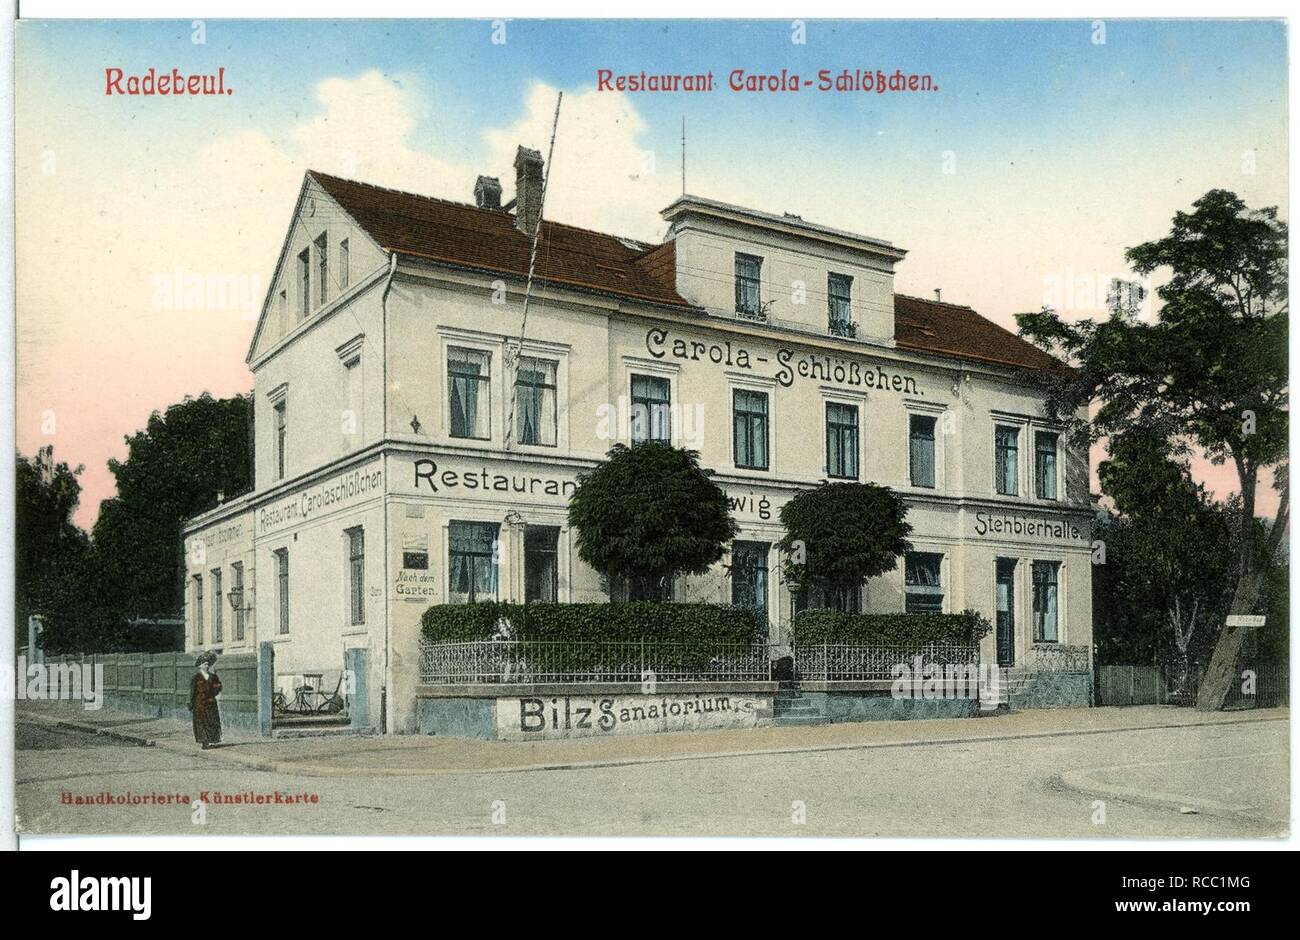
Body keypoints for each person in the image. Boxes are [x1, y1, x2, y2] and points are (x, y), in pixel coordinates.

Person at [189, 651, 223, 748]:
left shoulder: (213, 677)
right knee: (201, 722)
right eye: (204, 664)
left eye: (208, 664)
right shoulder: (195, 678)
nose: (207, 666)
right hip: (199, 704)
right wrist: (191, 703)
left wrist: (215, 689)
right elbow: (192, 692)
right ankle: (204, 742)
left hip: (211, 703)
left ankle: (212, 740)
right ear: (200, 666)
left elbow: (218, 686)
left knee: (211, 721)